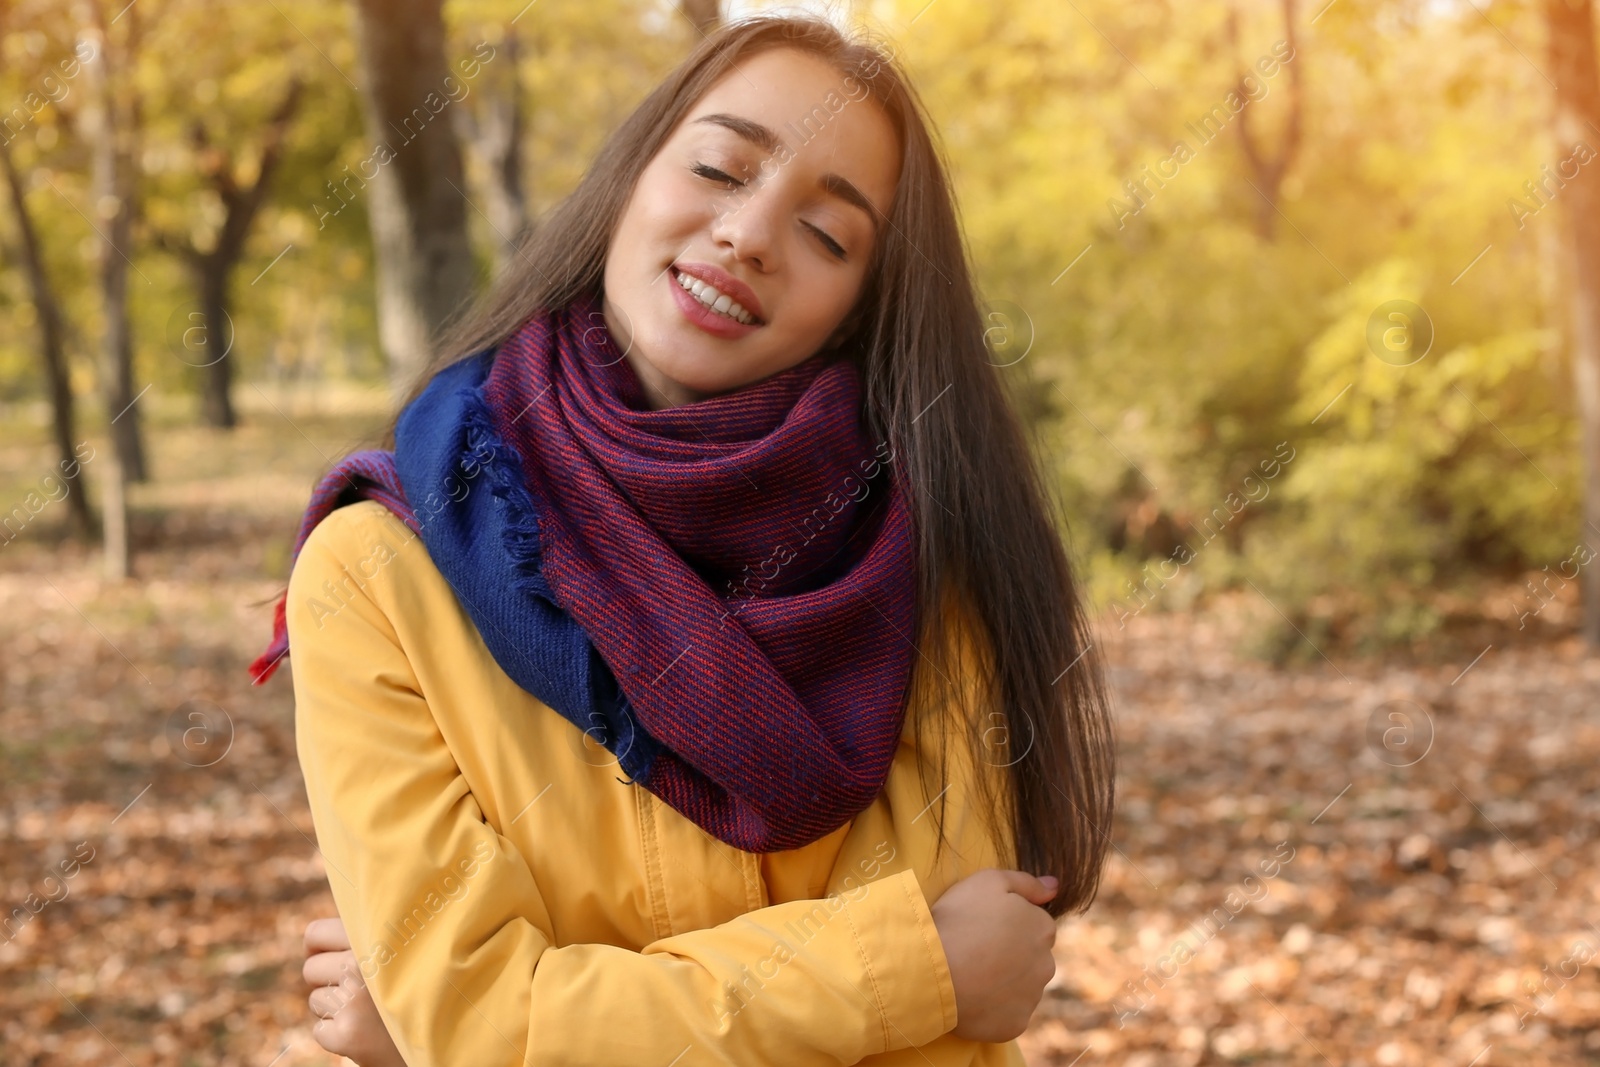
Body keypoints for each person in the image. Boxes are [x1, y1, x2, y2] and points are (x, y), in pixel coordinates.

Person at [250, 14, 1115, 1066]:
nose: (748, 234)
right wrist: (913, 967)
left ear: (856, 306)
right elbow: (481, 1015)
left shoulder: (916, 563)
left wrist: (509, 1029)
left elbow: (484, 1024)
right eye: (718, 166)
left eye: (828, 234)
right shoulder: (377, 574)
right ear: (627, 177)